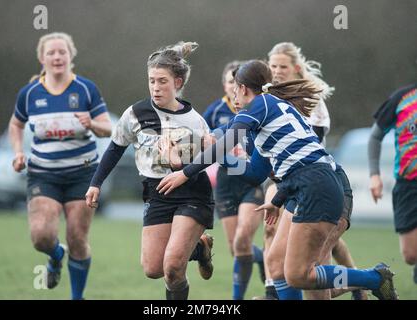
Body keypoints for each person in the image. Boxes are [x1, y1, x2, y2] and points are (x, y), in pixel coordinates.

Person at [157, 59, 399, 300]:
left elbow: (225, 141)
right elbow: (254, 172)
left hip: (317, 185)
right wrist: (201, 152)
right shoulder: (260, 121)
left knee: (300, 276)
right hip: (303, 187)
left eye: (235, 87)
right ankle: (365, 281)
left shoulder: (261, 104)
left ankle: (373, 279)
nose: (232, 94)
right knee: (277, 265)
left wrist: (186, 172)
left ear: (242, 89)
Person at [85, 42, 214, 300]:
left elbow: (208, 159)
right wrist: (95, 183)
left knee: (173, 268)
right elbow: (115, 149)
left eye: (162, 81)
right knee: (153, 269)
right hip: (156, 194)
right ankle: (199, 249)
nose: (156, 87)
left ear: (177, 83)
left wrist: (179, 163)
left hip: (192, 194)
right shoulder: (135, 113)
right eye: (151, 81)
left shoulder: (195, 121)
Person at [258, 42, 367, 300]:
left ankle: (361, 279)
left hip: (316, 183)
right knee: (279, 257)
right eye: (272, 66)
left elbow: (307, 152)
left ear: (296, 68)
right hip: (291, 184)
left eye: (282, 66)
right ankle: (274, 293)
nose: (276, 71)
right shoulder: (271, 100)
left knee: (310, 272)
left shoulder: (311, 101)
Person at [8, 32, 112, 300]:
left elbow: (107, 129)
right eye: (51, 52)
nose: (57, 57)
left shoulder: (86, 89)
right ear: (42, 58)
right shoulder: (29, 93)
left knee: (78, 238)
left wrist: (92, 123)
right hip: (44, 174)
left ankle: (77, 297)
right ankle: (56, 255)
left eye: (62, 52)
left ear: (70, 56)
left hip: (83, 173)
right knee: (41, 236)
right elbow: (16, 124)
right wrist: (18, 152)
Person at [203, 61, 265, 300]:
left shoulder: (255, 109)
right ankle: (262, 257)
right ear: (224, 84)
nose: (233, 87)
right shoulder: (215, 111)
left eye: (237, 83)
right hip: (226, 183)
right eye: (229, 82)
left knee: (242, 239)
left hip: (251, 182)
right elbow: (203, 142)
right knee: (235, 248)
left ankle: (235, 301)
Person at [368, 82, 417, 284]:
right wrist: (374, 175)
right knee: (410, 255)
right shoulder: (403, 97)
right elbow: (375, 137)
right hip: (408, 184)